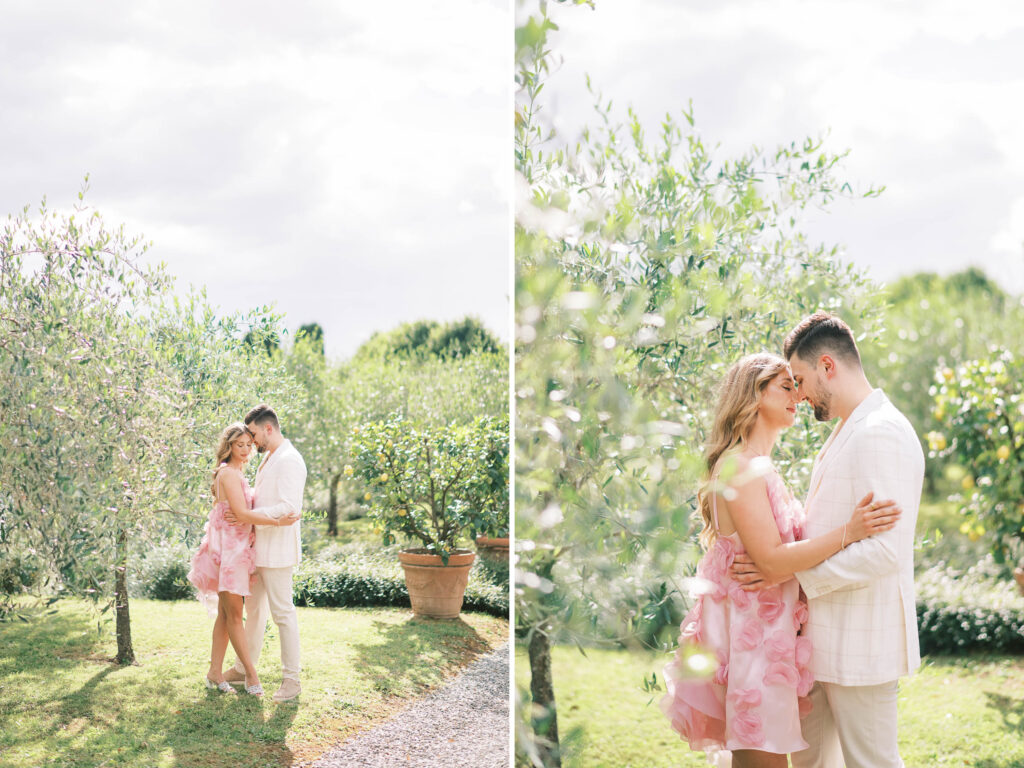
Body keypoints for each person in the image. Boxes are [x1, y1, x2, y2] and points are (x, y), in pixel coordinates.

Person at [660, 353, 901, 768]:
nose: (798, 396)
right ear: (753, 396)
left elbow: (775, 559)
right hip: (752, 643)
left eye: (797, 385)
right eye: (786, 386)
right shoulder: (739, 467)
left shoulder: (759, 466)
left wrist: (781, 563)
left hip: (770, 640)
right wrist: (850, 531)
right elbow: (771, 562)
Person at [732, 312, 924, 768]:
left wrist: (789, 573)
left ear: (827, 366)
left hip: (862, 645)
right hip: (819, 645)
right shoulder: (847, 429)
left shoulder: (881, 432)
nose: (797, 393)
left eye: (799, 379)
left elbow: (884, 551)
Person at [187, 423, 300, 696]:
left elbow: (240, 513)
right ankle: (250, 674)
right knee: (235, 615)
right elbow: (242, 513)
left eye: (249, 444)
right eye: (240, 445)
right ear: (228, 446)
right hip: (229, 552)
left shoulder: (237, 472)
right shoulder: (228, 474)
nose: (247, 450)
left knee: (227, 615)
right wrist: (278, 521)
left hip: (237, 550)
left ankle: (215, 672)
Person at [222, 404, 308, 703]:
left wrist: (247, 515)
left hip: (279, 550)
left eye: (255, 434)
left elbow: (290, 508)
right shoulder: (269, 457)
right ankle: (244, 666)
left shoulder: (290, 460)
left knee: (283, 613)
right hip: (257, 549)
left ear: (268, 428)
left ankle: (292, 679)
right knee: (254, 612)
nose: (252, 440)